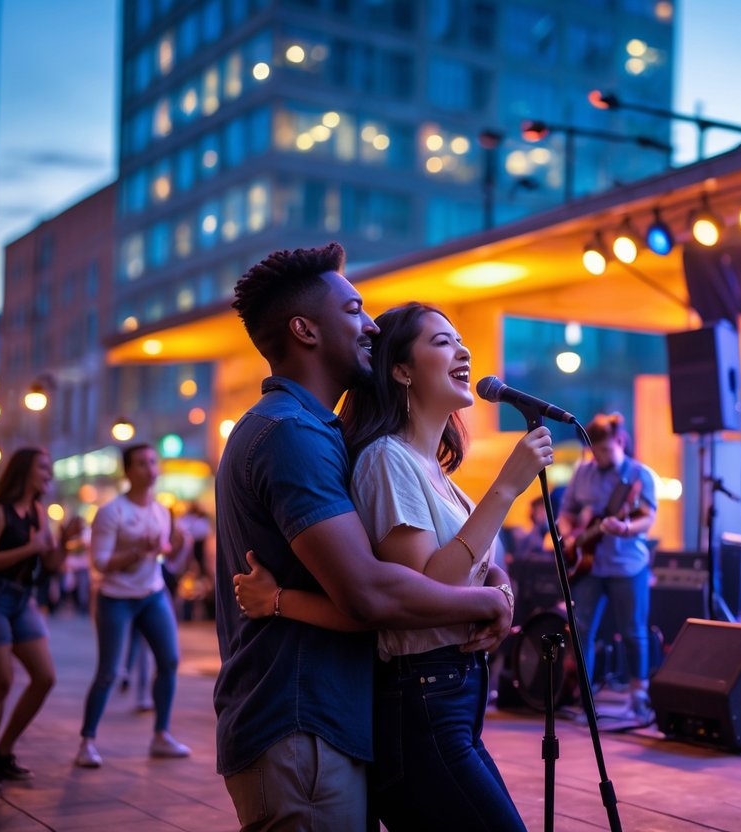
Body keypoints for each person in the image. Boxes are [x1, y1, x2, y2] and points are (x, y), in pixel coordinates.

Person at [215, 245, 516, 831]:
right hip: (299, 721)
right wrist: (490, 602)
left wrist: (493, 581)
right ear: (305, 330)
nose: (370, 325)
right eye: (354, 310)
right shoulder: (291, 435)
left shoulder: (310, 431)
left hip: (326, 721)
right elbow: (370, 595)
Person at [75, 443, 191, 767]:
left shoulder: (161, 510)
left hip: (152, 594)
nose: (150, 469)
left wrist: (176, 546)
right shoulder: (112, 512)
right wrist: (135, 553)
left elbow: (164, 555)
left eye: (153, 462)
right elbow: (99, 564)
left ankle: (161, 736)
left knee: (169, 661)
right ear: (128, 471)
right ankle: (87, 741)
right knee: (109, 671)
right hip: (116, 598)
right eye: (141, 463)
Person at [0, 447, 60, 791]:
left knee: (45, 677)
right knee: (1, 682)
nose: (49, 474)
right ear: (24, 472)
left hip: (22, 599)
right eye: (43, 468)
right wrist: (31, 548)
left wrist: (64, 542)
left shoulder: (37, 510)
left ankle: (2, 752)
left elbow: (48, 562)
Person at [557, 412, 657, 721]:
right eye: (594, 450)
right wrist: (568, 535)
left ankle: (638, 696)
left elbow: (647, 517)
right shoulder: (582, 472)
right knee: (581, 629)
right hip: (589, 567)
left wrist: (625, 528)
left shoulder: (640, 475)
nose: (598, 456)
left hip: (627, 565)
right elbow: (567, 511)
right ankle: (585, 700)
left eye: (604, 449)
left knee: (633, 632)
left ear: (621, 441)